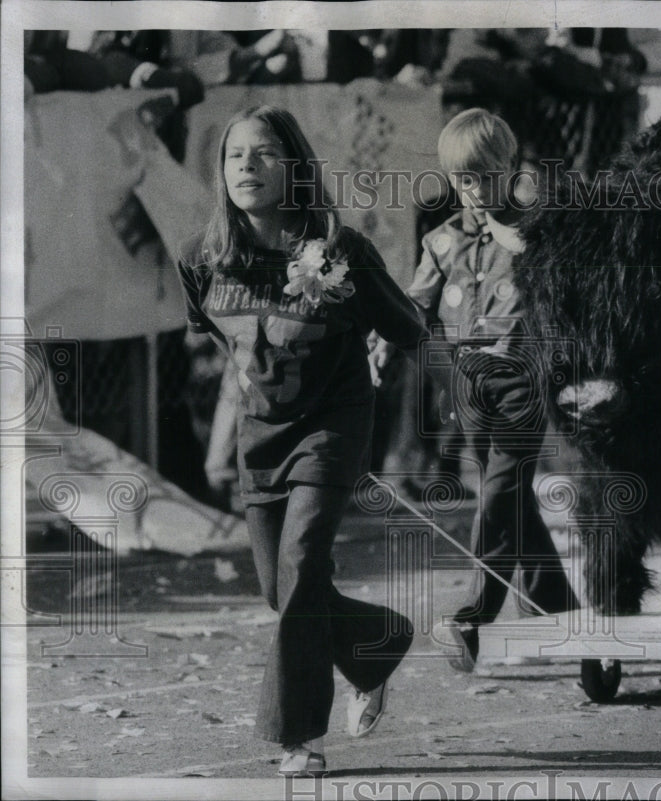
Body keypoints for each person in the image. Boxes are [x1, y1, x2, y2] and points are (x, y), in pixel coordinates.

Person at [175, 106, 425, 776]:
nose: (246, 168)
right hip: (260, 437)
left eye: (262, 154)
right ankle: (377, 639)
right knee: (278, 588)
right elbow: (236, 361)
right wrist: (220, 447)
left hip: (333, 427)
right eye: (234, 156)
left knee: (302, 569)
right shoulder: (201, 260)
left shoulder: (340, 249)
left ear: (294, 165)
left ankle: (297, 738)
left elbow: (409, 328)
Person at [370, 108, 580, 672]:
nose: (478, 190)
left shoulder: (534, 231)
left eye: (490, 176)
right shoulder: (441, 240)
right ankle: (557, 608)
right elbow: (415, 303)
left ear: (511, 170)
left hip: (521, 378)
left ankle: (473, 617)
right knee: (507, 495)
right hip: (466, 381)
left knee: (499, 490)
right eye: (466, 179)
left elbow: (566, 288)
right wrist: (384, 339)